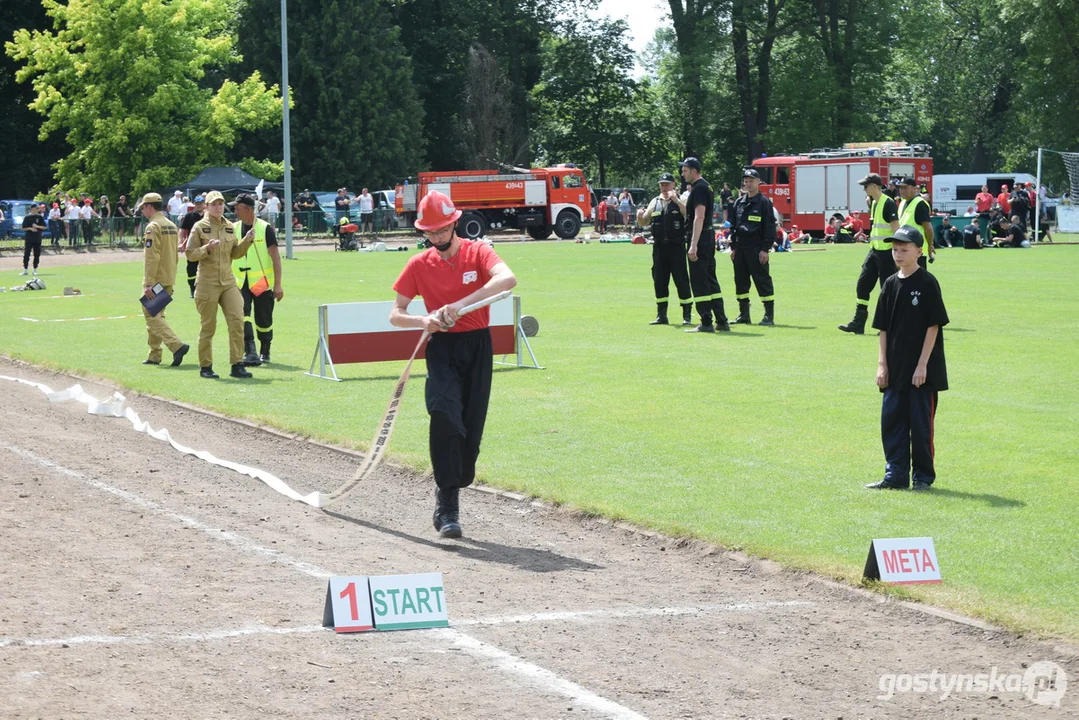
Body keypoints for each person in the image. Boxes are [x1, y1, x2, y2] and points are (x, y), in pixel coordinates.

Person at [390, 190, 517, 539]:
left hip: (477, 345)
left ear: (454, 224)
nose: (436, 237)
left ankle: (456, 480)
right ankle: (447, 505)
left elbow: (507, 280)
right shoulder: (419, 264)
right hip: (441, 348)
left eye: (442, 230)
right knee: (443, 413)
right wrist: (425, 321)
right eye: (429, 232)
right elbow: (395, 314)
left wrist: (461, 305)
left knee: (469, 433)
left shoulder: (478, 252)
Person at [866, 225, 949, 491]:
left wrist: (922, 365)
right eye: (895, 249)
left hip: (922, 371)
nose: (898, 254)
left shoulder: (927, 283)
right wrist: (882, 365)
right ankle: (895, 475)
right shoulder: (890, 284)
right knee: (892, 423)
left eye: (904, 249)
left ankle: (922, 477)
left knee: (921, 427)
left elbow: (933, 326)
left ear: (919, 251)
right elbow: (883, 328)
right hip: (895, 369)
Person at [185, 190, 255, 379]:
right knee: (208, 326)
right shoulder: (199, 227)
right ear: (206, 207)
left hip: (228, 281)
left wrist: (247, 241)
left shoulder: (230, 227)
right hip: (207, 282)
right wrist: (206, 248)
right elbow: (190, 254)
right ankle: (205, 366)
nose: (218, 207)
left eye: (220, 203)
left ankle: (237, 364)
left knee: (237, 321)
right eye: (214, 204)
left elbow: (235, 253)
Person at [839, 173, 900, 335]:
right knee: (862, 284)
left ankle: (887, 326)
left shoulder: (889, 203)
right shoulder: (874, 203)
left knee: (886, 290)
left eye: (865, 186)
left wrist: (898, 253)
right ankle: (859, 322)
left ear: (874, 186)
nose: (864, 189)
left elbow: (896, 229)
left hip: (887, 253)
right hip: (874, 251)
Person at [137, 193, 190, 368]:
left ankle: (176, 346)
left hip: (157, 279)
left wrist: (148, 283)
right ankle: (154, 354)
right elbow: (174, 254)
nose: (143, 211)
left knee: (151, 315)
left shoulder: (153, 226)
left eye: (143, 207)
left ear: (149, 207)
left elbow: (152, 257)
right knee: (157, 314)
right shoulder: (171, 225)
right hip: (168, 277)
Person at [231, 194, 284, 365]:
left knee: (264, 319)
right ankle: (250, 349)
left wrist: (278, 285)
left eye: (237, 208)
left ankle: (265, 349)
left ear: (247, 209)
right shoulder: (233, 228)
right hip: (240, 281)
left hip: (261, 282)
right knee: (242, 314)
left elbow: (276, 258)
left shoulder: (264, 228)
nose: (235, 211)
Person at [680, 157, 729, 332]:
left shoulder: (699, 188)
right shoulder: (706, 186)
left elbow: (699, 217)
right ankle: (722, 320)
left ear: (694, 171)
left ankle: (706, 322)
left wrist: (693, 245)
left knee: (699, 280)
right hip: (708, 236)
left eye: (685, 170)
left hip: (701, 237)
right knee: (710, 279)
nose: (682, 174)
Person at [637, 172, 693, 326]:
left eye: (667, 184)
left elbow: (689, 215)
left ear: (674, 185)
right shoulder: (655, 202)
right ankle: (662, 315)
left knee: (681, 280)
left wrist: (676, 200)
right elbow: (645, 221)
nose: (664, 187)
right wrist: (639, 216)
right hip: (659, 246)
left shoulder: (682, 199)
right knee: (659, 280)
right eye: (661, 184)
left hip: (676, 246)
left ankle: (687, 314)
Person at [729, 168, 777, 325]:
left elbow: (769, 228)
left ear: (758, 182)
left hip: (756, 248)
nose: (748, 183)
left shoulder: (764, 203)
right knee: (740, 282)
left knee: (762, 281)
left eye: (751, 181)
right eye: (746, 181)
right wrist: (733, 248)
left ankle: (769, 316)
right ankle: (744, 315)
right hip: (740, 249)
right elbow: (734, 227)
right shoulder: (739, 203)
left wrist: (765, 249)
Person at [897, 177, 934, 267]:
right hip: (904, 250)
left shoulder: (920, 204)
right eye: (900, 188)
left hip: (916, 252)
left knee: (918, 280)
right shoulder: (902, 203)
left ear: (915, 188)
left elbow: (928, 228)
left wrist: (930, 246)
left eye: (905, 188)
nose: (902, 190)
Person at [178, 195, 206, 298]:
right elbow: (182, 229)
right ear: (194, 204)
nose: (199, 206)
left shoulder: (208, 216)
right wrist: (180, 242)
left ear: (204, 204)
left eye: (201, 203)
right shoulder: (189, 216)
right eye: (197, 203)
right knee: (191, 269)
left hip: (206, 247)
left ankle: (204, 290)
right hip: (192, 247)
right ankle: (192, 290)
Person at [19, 203, 47, 277]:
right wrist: (30, 228)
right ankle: (25, 270)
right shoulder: (27, 217)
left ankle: (35, 269)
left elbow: (44, 227)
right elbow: (23, 228)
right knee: (26, 254)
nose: (38, 210)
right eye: (37, 208)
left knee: (37, 254)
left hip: (37, 238)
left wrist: (37, 226)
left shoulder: (40, 217)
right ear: (33, 209)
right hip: (29, 238)